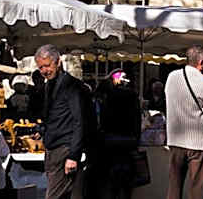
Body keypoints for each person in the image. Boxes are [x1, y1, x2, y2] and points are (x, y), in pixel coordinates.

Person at [165, 45, 203, 199]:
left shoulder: (171, 77)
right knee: (198, 187)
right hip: (199, 142)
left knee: (174, 186)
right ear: (202, 61)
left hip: (175, 139)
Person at [36, 44, 90, 199]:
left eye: (47, 66)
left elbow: (79, 121)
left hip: (64, 149)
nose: (44, 71)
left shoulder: (71, 86)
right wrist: (42, 131)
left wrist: (73, 155)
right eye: (41, 68)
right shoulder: (50, 85)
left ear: (58, 62)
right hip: (52, 149)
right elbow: (55, 117)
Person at [93, 70, 141, 199]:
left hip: (111, 139)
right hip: (128, 139)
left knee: (111, 178)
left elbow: (102, 119)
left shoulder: (107, 95)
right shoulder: (132, 95)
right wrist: (136, 139)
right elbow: (137, 120)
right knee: (126, 180)